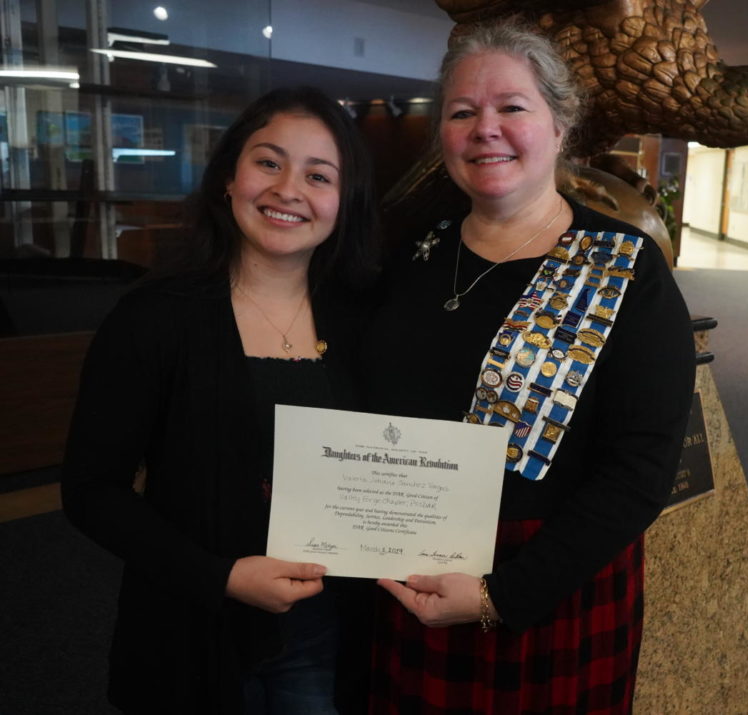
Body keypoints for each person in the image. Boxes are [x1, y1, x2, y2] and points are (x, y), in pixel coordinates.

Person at [362, 24, 696, 714]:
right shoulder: (414, 254)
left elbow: (641, 470)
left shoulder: (626, 266)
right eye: (462, 112)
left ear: (561, 124)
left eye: (512, 107)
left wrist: (499, 596)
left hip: (550, 591)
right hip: (413, 571)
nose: (486, 129)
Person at [61, 86, 378, 715]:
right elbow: (91, 491)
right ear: (228, 179)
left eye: (319, 175)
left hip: (328, 630)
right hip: (190, 626)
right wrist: (222, 577)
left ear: (343, 204)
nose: (288, 189)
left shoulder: (365, 322)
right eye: (268, 162)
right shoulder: (152, 318)